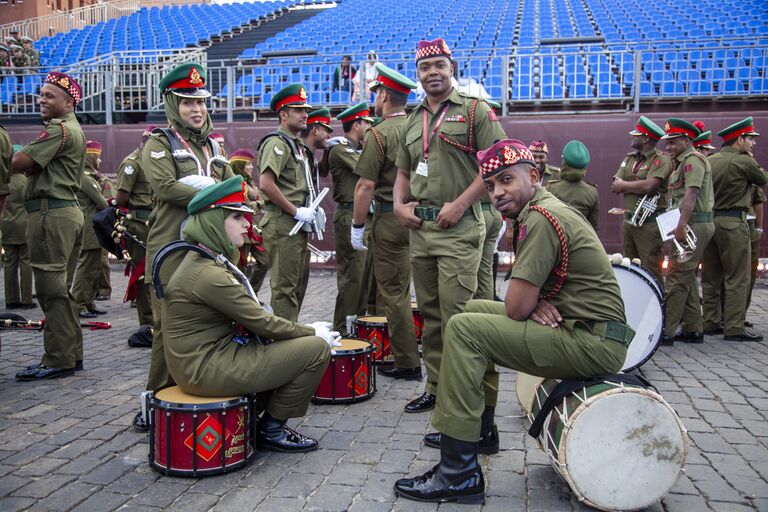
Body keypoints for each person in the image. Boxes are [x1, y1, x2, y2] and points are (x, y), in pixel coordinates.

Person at [394, 139, 631, 504]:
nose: (497, 192)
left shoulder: (540, 217)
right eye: (489, 186)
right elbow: (523, 303)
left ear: (533, 175)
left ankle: (458, 473)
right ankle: (483, 431)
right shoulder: (540, 209)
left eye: (506, 180)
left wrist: (531, 303)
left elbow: (517, 307)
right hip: (584, 329)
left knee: (463, 329)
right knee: (470, 310)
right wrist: (534, 303)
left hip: (592, 343)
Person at [162, 176, 335, 452]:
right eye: (236, 217)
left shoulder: (204, 260)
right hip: (204, 368)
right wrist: (313, 332)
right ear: (213, 222)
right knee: (314, 350)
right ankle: (271, 429)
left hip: (203, 361)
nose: (247, 225)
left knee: (283, 345)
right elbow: (262, 322)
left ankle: (253, 418)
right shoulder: (208, 273)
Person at [393, 38, 506, 416]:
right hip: (421, 230)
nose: (432, 73)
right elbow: (404, 171)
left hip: (459, 228)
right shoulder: (413, 119)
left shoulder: (476, 111)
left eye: (439, 65)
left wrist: (460, 205)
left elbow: (497, 166)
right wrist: (397, 204)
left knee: (461, 317)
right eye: (425, 68)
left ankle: (465, 402)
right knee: (431, 315)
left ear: (451, 67)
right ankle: (438, 387)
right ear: (418, 74)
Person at [135, 63, 233, 430]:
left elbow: (232, 185)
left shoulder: (214, 144)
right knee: (168, 329)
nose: (197, 110)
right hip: (171, 249)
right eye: (187, 102)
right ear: (172, 104)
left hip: (208, 249)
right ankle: (154, 401)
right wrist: (211, 190)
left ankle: (190, 393)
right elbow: (164, 188)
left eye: (201, 102)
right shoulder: (159, 142)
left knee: (206, 323)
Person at [12, 72, 85, 381]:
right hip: (63, 213)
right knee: (60, 290)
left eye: (49, 96)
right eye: (41, 94)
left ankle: (57, 358)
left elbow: (19, 163)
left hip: (50, 215)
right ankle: (70, 354)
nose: (41, 99)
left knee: (50, 289)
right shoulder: (72, 129)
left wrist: (10, 150)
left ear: (68, 103)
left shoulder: (59, 129)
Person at [352, 63, 421, 380]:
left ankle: (407, 362)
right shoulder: (419, 126)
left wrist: (357, 226)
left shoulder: (378, 134)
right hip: (417, 216)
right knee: (409, 289)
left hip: (389, 217)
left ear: (382, 94)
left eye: (376, 93)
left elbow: (365, 186)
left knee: (393, 294)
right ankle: (412, 354)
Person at [701, 118, 766, 341]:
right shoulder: (744, 161)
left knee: (710, 276)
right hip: (733, 223)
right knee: (738, 277)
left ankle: (709, 321)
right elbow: (762, 178)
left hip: (710, 222)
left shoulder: (710, 160)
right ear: (740, 139)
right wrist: (749, 159)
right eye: (750, 139)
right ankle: (734, 327)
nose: (753, 144)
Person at [257, 84, 315, 322]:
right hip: (283, 222)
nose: (305, 115)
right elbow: (266, 183)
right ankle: (285, 346)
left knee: (297, 284)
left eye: (306, 110)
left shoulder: (295, 144)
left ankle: (291, 332)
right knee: (284, 288)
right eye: (298, 109)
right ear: (283, 114)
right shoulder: (277, 143)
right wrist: (295, 210)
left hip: (295, 222)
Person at [659, 118, 715, 346]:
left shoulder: (693, 160)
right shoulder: (683, 162)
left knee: (677, 277)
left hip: (693, 223)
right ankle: (693, 328)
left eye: (672, 142)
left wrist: (681, 225)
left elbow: (691, 194)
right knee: (687, 277)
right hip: (689, 222)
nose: (668, 147)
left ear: (685, 140)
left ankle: (667, 331)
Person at [323, 102, 373, 335]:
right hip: (349, 215)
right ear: (356, 125)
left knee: (363, 276)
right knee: (352, 277)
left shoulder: (354, 148)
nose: (369, 127)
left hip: (361, 214)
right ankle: (344, 328)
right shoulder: (342, 149)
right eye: (366, 123)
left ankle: (357, 323)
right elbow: (367, 168)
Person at [609, 116, 673, 282]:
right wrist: (632, 184)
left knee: (651, 269)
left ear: (645, 138)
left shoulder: (661, 159)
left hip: (649, 225)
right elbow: (616, 183)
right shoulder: (630, 158)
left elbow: (650, 186)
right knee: (629, 267)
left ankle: (655, 306)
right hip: (629, 222)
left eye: (636, 134)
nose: (633, 137)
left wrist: (626, 184)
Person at [115, 125, 155, 327]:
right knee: (143, 273)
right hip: (139, 223)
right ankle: (147, 323)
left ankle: (156, 319)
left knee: (156, 273)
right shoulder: (132, 163)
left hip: (155, 222)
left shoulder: (154, 162)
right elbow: (121, 198)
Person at [71, 141, 109, 319]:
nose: (100, 161)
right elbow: (101, 202)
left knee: (94, 269)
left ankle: (88, 302)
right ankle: (79, 304)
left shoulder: (88, 176)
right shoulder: (85, 177)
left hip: (93, 227)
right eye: (98, 157)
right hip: (89, 228)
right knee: (87, 269)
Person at [229, 148, 269, 293]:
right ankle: (241, 297)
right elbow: (244, 205)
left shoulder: (250, 182)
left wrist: (257, 204)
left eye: (251, 164)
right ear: (239, 165)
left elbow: (260, 199)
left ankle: (252, 292)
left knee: (265, 262)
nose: (251, 167)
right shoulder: (234, 182)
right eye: (248, 164)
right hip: (241, 231)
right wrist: (259, 204)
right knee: (241, 268)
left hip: (256, 230)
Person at [1, 144, 34, 310]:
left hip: (6, 225)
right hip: (24, 225)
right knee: (26, 261)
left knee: (9, 262)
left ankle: (11, 299)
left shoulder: (3, 181)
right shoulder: (25, 182)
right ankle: (27, 299)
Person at [546, 140, 599, 231]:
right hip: (581, 241)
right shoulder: (592, 192)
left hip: (557, 241)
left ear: (564, 163)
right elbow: (593, 227)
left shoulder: (551, 188)